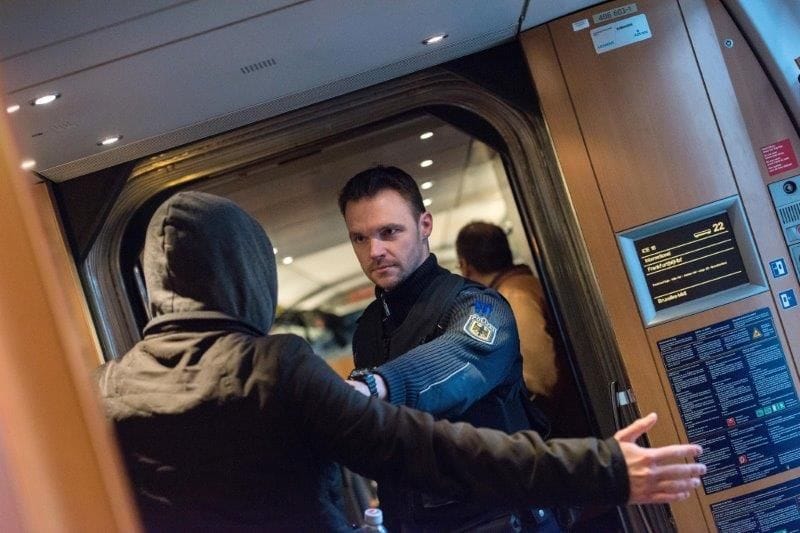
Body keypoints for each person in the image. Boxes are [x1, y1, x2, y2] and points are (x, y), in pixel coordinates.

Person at [96, 190, 706, 531]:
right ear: (246, 274)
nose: (375, 250)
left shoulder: (103, 389)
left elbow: (455, 364)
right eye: (362, 238)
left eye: (389, 232)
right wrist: (601, 466)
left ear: (425, 227)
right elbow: (417, 450)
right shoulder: (301, 358)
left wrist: (375, 387)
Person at [456, 221, 587, 438]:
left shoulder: (513, 297)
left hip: (566, 425)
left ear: (465, 265)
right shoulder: (526, 284)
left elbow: (539, 378)